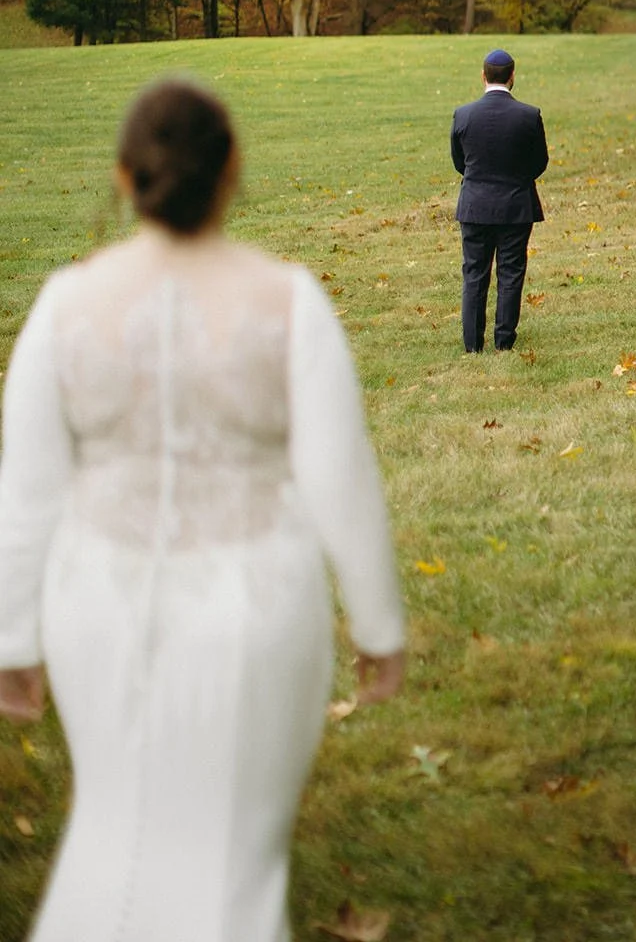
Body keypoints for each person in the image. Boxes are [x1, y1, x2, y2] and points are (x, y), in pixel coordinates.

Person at [0, 78, 405, 942]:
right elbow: (340, 475)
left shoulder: (63, 306)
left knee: (114, 823)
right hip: (254, 607)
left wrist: (12, 638)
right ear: (232, 174)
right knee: (232, 853)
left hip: (96, 607)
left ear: (123, 176)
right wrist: (378, 625)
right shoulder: (290, 301)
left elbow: (26, 492)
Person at [450, 48, 549, 353]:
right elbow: (539, 162)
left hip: (475, 205)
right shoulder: (528, 116)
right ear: (512, 77)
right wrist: (518, 179)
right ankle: (503, 340)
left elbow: (459, 162)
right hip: (515, 206)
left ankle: (472, 344)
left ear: (483, 76)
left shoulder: (463, 115)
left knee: (474, 273)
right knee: (510, 272)